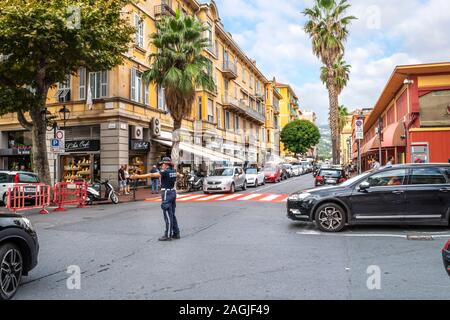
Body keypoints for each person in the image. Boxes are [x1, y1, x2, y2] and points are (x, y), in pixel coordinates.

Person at [131, 157, 183, 241]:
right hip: (172, 192)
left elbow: (151, 175)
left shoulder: (165, 172)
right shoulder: (173, 171)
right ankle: (176, 233)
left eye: (163, 164)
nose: (162, 165)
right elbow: (179, 174)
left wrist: (138, 176)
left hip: (166, 192)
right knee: (172, 214)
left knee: (167, 215)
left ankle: (168, 235)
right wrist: (181, 175)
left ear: (166, 165)